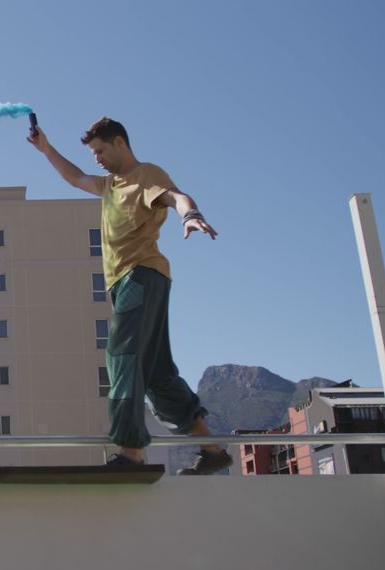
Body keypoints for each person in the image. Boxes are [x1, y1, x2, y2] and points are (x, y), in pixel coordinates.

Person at [27, 117, 233, 475]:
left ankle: (131, 453)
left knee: (121, 356)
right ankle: (212, 449)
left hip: (141, 275)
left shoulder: (146, 175)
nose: (97, 159)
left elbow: (177, 196)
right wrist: (46, 149)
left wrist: (191, 215)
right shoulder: (110, 186)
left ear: (120, 142)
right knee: (156, 373)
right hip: (128, 281)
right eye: (93, 153)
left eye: (101, 151)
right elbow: (75, 177)